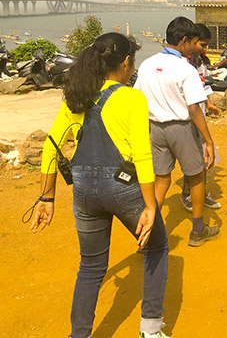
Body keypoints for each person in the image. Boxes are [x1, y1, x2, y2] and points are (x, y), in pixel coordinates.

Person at [30, 33, 170, 338]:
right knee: (157, 246)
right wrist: (149, 205)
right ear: (126, 62)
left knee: (91, 267)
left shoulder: (77, 95)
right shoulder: (132, 97)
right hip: (123, 189)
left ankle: (78, 335)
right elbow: (143, 155)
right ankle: (150, 329)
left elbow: (51, 147)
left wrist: (46, 197)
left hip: (82, 191)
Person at [134, 17, 219, 247]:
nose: (194, 46)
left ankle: (148, 234)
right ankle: (198, 231)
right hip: (181, 128)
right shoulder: (185, 68)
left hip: (155, 129)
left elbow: (137, 99)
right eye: (193, 42)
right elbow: (194, 109)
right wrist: (208, 140)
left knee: (161, 180)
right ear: (183, 41)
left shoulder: (147, 64)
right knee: (196, 177)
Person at [182, 22, 222, 211]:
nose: (204, 49)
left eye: (206, 45)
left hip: (201, 117)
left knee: (203, 156)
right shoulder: (183, 64)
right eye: (202, 45)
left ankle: (201, 192)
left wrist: (209, 104)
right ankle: (187, 194)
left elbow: (202, 87)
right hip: (187, 118)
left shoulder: (200, 63)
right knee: (192, 158)